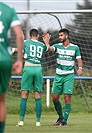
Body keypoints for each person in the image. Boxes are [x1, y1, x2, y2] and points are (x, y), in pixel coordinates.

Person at [43, 28, 83, 126]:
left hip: (69, 75)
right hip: (58, 75)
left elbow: (79, 59)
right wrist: (47, 42)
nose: (59, 37)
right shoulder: (57, 46)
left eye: (61, 35)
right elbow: (50, 49)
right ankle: (60, 117)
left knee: (67, 97)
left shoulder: (75, 47)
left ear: (66, 36)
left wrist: (80, 68)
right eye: (59, 35)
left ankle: (64, 120)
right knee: (54, 98)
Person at [17, 28, 49, 127]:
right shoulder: (41, 45)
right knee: (38, 95)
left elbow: (19, 50)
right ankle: (38, 122)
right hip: (38, 69)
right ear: (38, 36)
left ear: (30, 35)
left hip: (28, 67)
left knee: (24, 94)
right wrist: (47, 41)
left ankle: (21, 121)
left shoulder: (26, 42)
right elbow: (48, 48)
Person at [0, 2, 24, 133]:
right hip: (4, 59)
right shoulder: (9, 10)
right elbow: (20, 36)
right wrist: (19, 59)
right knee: (1, 101)